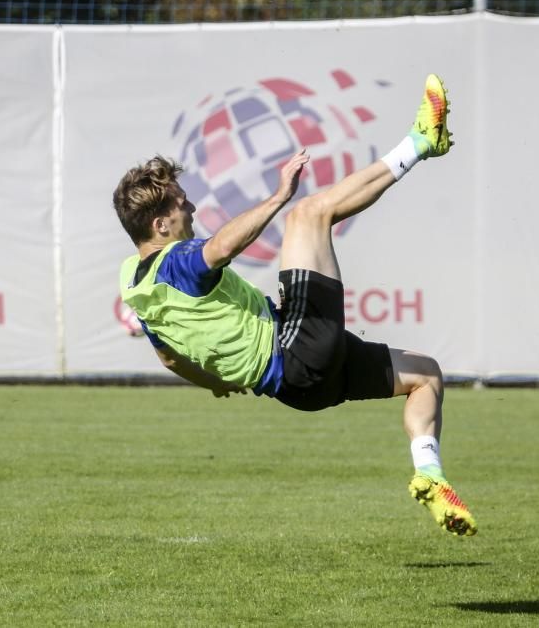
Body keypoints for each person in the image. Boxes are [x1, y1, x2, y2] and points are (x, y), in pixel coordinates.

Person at [112, 75, 477, 536]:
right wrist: (279, 196)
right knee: (307, 214)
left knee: (426, 375)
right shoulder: (176, 261)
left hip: (298, 389)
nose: (193, 207)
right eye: (183, 205)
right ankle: (422, 141)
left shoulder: (135, 281)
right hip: (296, 349)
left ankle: (430, 473)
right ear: (161, 224)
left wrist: (215, 382)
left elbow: (168, 357)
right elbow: (221, 247)